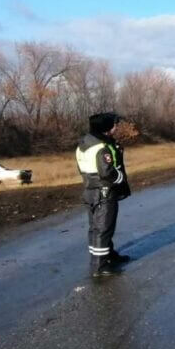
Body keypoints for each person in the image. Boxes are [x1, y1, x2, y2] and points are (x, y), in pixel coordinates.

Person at [75, 112, 132, 278]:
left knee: (96, 226)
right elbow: (107, 172)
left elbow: (82, 168)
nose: (115, 128)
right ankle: (99, 266)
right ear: (105, 127)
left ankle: (108, 256)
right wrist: (120, 179)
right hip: (104, 192)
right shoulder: (101, 148)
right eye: (113, 125)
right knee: (103, 228)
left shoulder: (84, 143)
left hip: (90, 190)